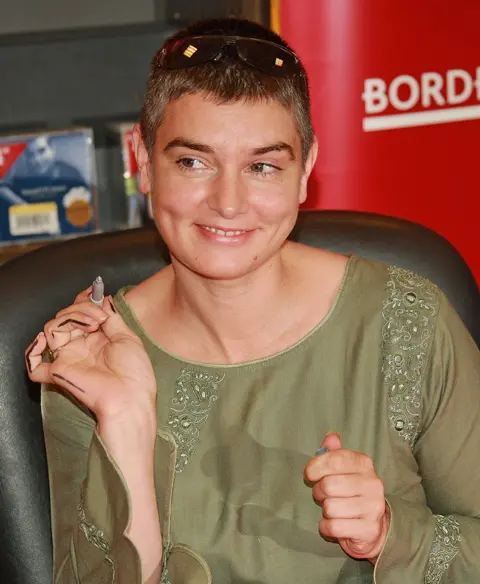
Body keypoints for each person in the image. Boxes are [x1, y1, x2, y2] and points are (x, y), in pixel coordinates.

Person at [25, 17, 480, 584]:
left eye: (262, 166)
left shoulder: (408, 324)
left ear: (306, 170)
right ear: (142, 159)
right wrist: (126, 418)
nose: (229, 202)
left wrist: (391, 531)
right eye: (193, 162)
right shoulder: (87, 361)